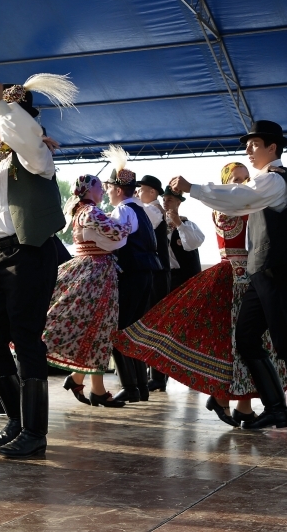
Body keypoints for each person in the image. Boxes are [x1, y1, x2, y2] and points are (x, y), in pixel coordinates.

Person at [169, 120, 287, 439]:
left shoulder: (274, 179)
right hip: (262, 271)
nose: (248, 149)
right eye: (247, 145)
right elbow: (240, 200)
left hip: (281, 270)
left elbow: (240, 198)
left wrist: (192, 188)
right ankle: (275, 408)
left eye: (254, 144)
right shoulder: (265, 181)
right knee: (247, 337)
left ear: (272, 147)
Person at [114, 162, 287, 427]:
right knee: (233, 343)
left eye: (245, 178)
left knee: (243, 343)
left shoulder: (244, 204)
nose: (242, 183)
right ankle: (223, 398)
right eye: (236, 179)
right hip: (234, 278)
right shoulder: (228, 206)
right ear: (225, 181)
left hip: (246, 278)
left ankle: (239, 405)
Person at [0, 75, 75, 459]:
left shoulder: (37, 153)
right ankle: (17, 421)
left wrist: (2, 105)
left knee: (27, 338)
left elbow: (25, 135)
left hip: (29, 253)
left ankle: (34, 432)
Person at [46, 175, 130, 407]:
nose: (102, 191)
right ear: (88, 190)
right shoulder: (91, 211)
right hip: (95, 274)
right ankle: (91, 386)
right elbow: (116, 233)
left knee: (97, 330)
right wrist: (127, 222)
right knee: (100, 328)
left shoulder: (81, 211)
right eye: (99, 187)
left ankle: (86, 383)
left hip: (93, 271)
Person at [102, 146, 162, 405]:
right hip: (146, 273)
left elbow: (116, 240)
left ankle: (131, 387)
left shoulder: (123, 211)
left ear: (118, 190)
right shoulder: (141, 211)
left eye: (108, 188)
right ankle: (140, 386)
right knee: (133, 329)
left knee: (118, 331)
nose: (107, 192)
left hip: (131, 274)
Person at [135, 175, 170, 392]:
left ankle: (157, 375)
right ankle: (154, 374)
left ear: (153, 192)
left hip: (157, 274)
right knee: (151, 323)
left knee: (154, 323)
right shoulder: (151, 209)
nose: (137, 193)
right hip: (155, 273)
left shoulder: (152, 210)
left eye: (141, 190)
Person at [163, 187, 205, 290]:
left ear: (178, 203)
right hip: (166, 277)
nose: (165, 203)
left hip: (186, 278)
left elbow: (194, 243)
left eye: (169, 200)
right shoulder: (160, 225)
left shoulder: (188, 225)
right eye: (164, 199)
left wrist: (179, 224)